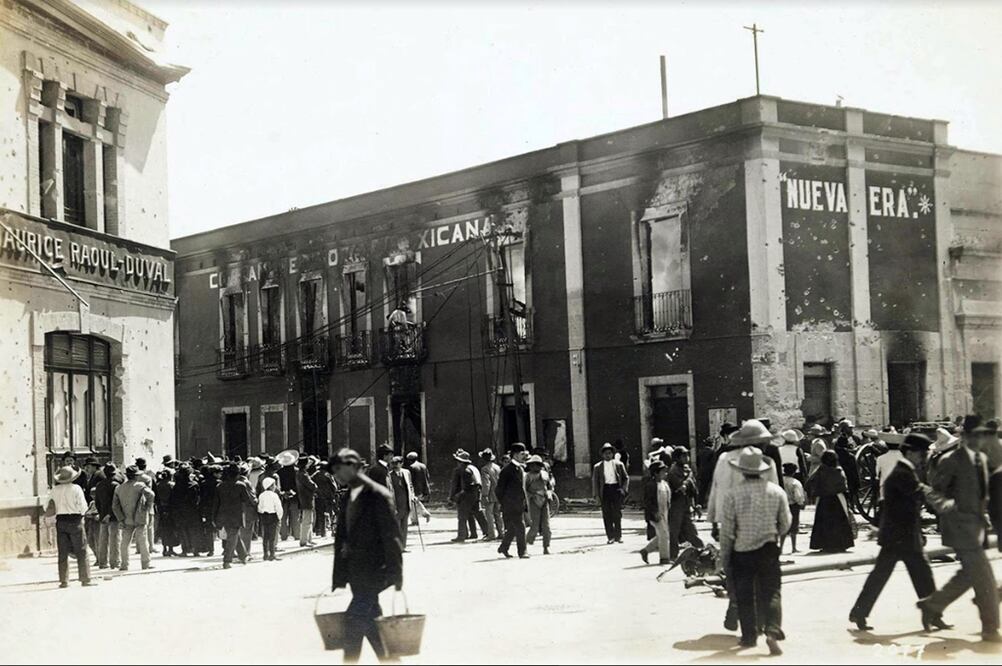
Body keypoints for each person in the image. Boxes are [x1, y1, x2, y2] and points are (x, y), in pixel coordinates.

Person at [918, 415, 1001, 642]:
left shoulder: (981, 460)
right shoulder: (950, 460)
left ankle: (932, 605)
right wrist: (950, 507)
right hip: (959, 526)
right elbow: (934, 491)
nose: (978, 440)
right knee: (984, 579)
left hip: (976, 526)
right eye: (974, 436)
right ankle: (990, 629)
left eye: (981, 436)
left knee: (968, 575)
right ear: (964, 436)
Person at [849, 434, 943, 631]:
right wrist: (945, 503)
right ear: (909, 452)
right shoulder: (903, 473)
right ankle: (933, 615)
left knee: (901, 576)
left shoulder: (906, 471)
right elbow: (919, 493)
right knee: (917, 575)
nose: (924, 457)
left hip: (900, 535)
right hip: (900, 536)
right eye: (921, 453)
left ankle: (859, 612)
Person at [330, 448, 403, 663]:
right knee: (372, 620)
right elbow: (344, 535)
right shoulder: (347, 497)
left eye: (339, 470)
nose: (337, 476)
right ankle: (390, 660)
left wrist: (396, 573)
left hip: (375, 570)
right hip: (355, 569)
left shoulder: (378, 494)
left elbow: (392, 537)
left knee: (354, 618)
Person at [717, 447, 791, 655]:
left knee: (744, 594)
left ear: (742, 471)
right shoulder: (776, 492)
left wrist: (725, 556)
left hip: (742, 550)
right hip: (768, 548)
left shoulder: (732, 495)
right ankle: (772, 631)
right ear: (762, 470)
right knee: (772, 591)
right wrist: (774, 532)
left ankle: (749, 636)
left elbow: (728, 531)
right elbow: (786, 523)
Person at [47, 466, 95, 588]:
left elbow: (47, 507)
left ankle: (64, 580)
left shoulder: (54, 490)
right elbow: (83, 507)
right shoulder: (76, 488)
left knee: (62, 552)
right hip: (75, 520)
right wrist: (81, 515)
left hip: (61, 521)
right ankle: (85, 578)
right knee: (82, 550)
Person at [806, 451, 855, 553]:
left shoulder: (820, 470)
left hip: (823, 499)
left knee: (824, 522)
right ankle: (841, 544)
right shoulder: (838, 471)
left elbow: (809, 482)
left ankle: (825, 545)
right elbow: (844, 485)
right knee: (840, 522)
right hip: (838, 499)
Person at [113, 465, 155, 571]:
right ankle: (145, 563)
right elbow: (151, 494)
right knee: (142, 539)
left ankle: (124, 564)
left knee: (125, 542)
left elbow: (115, 506)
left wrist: (120, 518)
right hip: (140, 516)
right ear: (136, 476)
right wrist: (147, 507)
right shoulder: (140, 485)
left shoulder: (119, 488)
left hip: (126, 518)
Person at [213, 463, 255, 568]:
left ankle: (243, 555)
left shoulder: (220, 486)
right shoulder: (240, 485)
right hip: (236, 515)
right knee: (233, 536)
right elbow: (247, 500)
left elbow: (215, 504)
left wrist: (213, 518)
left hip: (223, 516)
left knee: (234, 535)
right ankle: (227, 560)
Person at [667, 447, 703, 560]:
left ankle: (701, 551)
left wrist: (696, 505)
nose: (686, 458)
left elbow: (693, 488)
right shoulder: (673, 471)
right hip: (676, 505)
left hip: (687, 504)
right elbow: (679, 486)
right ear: (677, 458)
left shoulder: (687, 469)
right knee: (674, 531)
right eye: (683, 456)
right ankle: (673, 556)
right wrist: (688, 481)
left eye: (687, 455)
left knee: (691, 530)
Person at [496, 443, 529, 559]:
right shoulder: (507, 470)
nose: (524, 456)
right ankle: (522, 551)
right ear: (515, 455)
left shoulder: (519, 469)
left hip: (519, 504)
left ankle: (504, 547)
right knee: (520, 527)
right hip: (510, 505)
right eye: (521, 454)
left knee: (513, 528)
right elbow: (499, 490)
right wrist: (505, 503)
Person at [592, 442, 629, 544]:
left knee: (617, 513)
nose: (607, 455)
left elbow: (626, 478)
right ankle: (610, 536)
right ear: (602, 455)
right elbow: (595, 482)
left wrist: (623, 489)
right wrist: (596, 496)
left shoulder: (619, 464)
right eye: (605, 453)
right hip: (605, 491)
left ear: (612, 454)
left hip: (616, 489)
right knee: (606, 514)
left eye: (609, 453)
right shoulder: (598, 467)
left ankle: (618, 536)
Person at [449, 449, 488, 542]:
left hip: (467, 495)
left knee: (462, 516)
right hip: (476, 493)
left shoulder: (463, 471)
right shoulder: (473, 468)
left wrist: (454, 496)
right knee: (476, 513)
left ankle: (461, 535)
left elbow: (461, 486)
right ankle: (484, 531)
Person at [639, 460, 671, 565]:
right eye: (663, 472)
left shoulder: (664, 484)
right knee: (664, 534)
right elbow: (648, 502)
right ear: (656, 473)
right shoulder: (651, 485)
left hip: (664, 512)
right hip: (655, 513)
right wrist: (654, 512)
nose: (665, 474)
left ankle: (646, 550)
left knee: (663, 534)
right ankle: (664, 558)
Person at [93, 463, 123, 569]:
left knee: (103, 540)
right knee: (115, 539)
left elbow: (97, 502)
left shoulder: (99, 485)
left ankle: (102, 562)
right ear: (114, 473)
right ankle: (115, 562)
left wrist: (102, 513)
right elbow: (116, 502)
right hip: (114, 516)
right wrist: (110, 514)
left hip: (103, 515)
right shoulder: (116, 485)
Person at [169, 465, 201, 556]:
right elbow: (197, 499)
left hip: (180, 511)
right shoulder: (194, 485)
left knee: (182, 530)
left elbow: (173, 500)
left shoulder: (177, 486)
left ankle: (185, 550)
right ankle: (195, 550)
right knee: (193, 530)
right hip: (192, 511)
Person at [524, 455, 553, 555]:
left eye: (538, 465)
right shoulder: (527, 476)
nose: (536, 467)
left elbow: (549, 486)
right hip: (533, 502)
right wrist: (532, 496)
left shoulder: (545, 474)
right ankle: (525, 545)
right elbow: (524, 491)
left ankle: (546, 546)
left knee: (546, 526)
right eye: (533, 465)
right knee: (534, 526)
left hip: (544, 501)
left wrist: (549, 494)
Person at [779, 464, 806, 554]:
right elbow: (798, 495)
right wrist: (801, 503)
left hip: (782, 505)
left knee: (783, 526)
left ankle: (781, 548)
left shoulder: (780, 481)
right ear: (794, 472)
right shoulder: (795, 482)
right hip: (793, 506)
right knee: (794, 527)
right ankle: (793, 547)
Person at [389, 456, 415, 549]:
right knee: (396, 527)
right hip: (396, 504)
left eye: (397, 463)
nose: (395, 465)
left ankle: (403, 547)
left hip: (406, 503)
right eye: (393, 463)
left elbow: (410, 486)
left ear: (401, 463)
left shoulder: (406, 472)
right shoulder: (389, 475)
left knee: (404, 527)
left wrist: (412, 496)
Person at [257, 477, 284, 561]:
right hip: (273, 516)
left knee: (265, 536)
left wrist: (262, 512)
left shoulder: (261, 495)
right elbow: (278, 507)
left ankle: (265, 554)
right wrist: (279, 517)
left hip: (264, 516)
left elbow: (259, 507)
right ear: (271, 486)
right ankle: (272, 554)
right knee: (272, 537)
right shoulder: (274, 495)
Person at [155, 469, 179, 557]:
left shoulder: (158, 485)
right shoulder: (171, 485)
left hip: (161, 509)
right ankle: (170, 549)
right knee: (171, 529)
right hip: (170, 509)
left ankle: (164, 549)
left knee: (163, 529)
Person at [479, 449, 503, 540]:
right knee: (498, 514)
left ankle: (491, 534)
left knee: (489, 515)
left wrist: (484, 495)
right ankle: (501, 532)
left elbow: (486, 483)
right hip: (498, 493)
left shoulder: (484, 469)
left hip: (490, 494)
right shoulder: (497, 467)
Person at [296, 457, 319, 547]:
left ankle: (309, 539)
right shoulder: (303, 474)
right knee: (307, 520)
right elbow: (312, 485)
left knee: (309, 519)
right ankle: (304, 541)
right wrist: (315, 485)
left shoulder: (300, 473)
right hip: (307, 498)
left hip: (305, 498)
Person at [236, 463, 257, 557]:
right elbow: (252, 498)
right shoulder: (247, 483)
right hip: (248, 510)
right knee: (247, 532)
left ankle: (241, 552)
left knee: (241, 532)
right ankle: (246, 552)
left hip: (238, 510)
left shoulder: (236, 481)